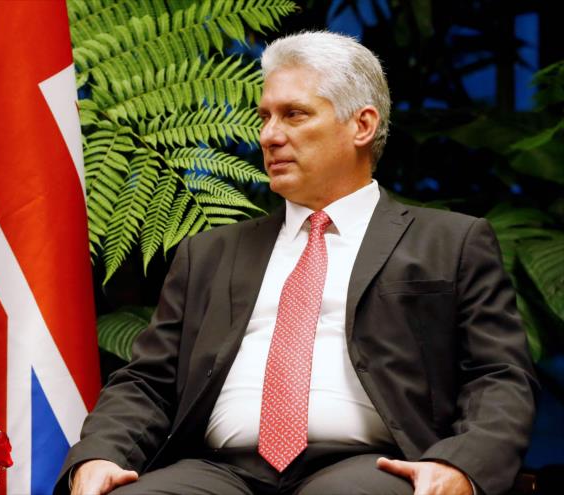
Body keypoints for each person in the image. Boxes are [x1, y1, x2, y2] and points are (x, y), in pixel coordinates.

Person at [57, 31, 537, 495]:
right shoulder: (209, 253)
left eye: (294, 115)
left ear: (362, 125)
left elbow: (498, 376)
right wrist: (99, 455)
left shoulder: (449, 241)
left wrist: (459, 464)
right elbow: (148, 381)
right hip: (216, 470)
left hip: (372, 465)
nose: (269, 135)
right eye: (264, 116)